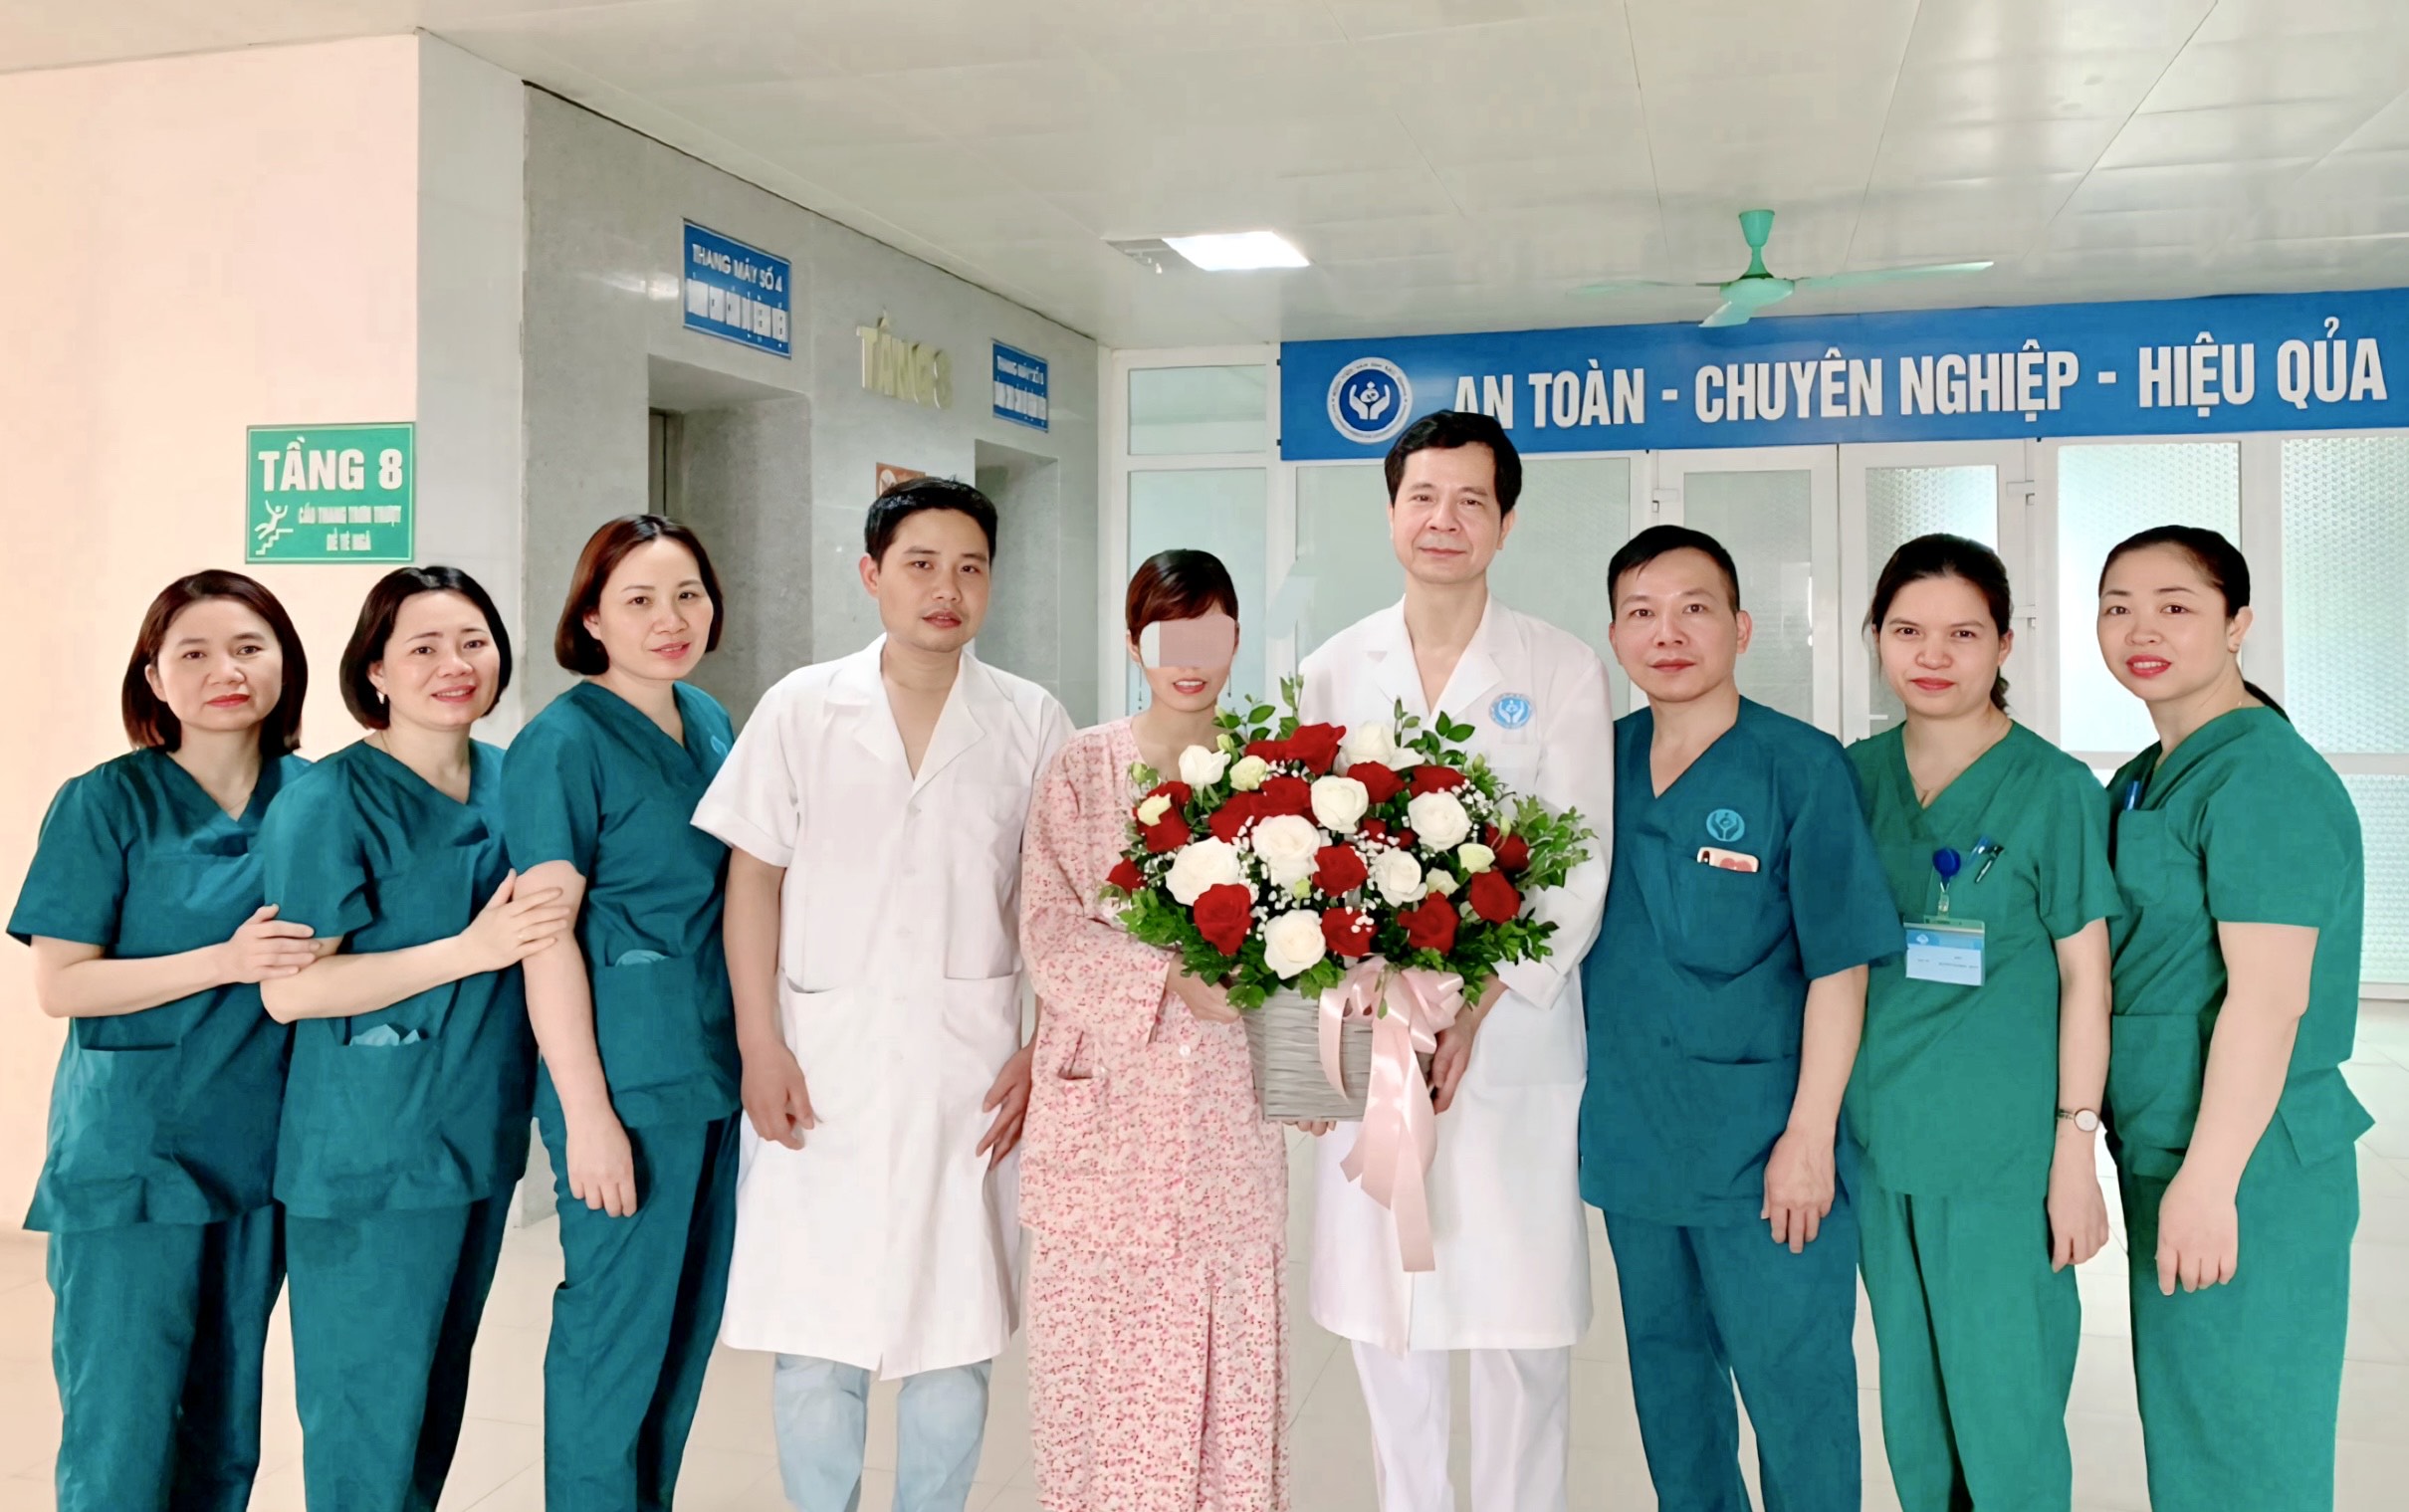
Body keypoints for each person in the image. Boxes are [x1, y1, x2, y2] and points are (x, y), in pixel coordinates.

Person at [693, 477, 1072, 1512]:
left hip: (969, 1067)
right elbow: (753, 881)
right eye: (920, 564)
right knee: (816, 1339)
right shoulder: (801, 707)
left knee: (955, 1336)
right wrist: (760, 1043)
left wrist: (1041, 1046)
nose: (946, 589)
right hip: (824, 1059)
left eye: (969, 567)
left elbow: (1060, 901)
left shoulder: (1030, 719)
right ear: (871, 574)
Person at [1301, 411, 1614, 1512]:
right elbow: (1301, 861)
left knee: (1517, 1327)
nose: (1444, 520)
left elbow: (1577, 865)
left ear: (1505, 523)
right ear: (1391, 511)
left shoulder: (1560, 668)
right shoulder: (1333, 668)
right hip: (1374, 1031)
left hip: (1510, 1034)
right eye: (1423, 497)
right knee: (1391, 1324)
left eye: (1470, 500)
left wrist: (1473, 1006)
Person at [1579, 525, 1896, 1512]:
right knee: (1671, 1392)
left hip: (1764, 1151)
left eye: (1694, 609)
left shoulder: (1797, 766)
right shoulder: (1592, 763)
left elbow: (1840, 966)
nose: (1666, 633)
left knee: (1796, 1393)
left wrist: (1808, 1137)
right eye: (1640, 612)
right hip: (1636, 1144)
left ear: (1741, 627)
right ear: (1614, 635)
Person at [258, 565, 566, 1512]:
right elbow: (290, 991)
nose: (454, 664)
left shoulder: (515, 779)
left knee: (432, 1409)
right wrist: (470, 949)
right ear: (376, 671)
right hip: (367, 1158)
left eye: (473, 642)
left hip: (475, 1137)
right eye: (423, 647)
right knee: (366, 1424)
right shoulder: (330, 801)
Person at [9, 572, 313, 1512]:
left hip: (258, 1150)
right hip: (130, 1158)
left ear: (285, 663)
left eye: (250, 647)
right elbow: (63, 983)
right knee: (123, 1427)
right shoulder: (104, 802)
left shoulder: (316, 798)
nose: (227, 670)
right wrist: (224, 960)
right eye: (195, 652)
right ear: (155, 676)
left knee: (225, 1428)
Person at [2095, 526, 2369, 1512]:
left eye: (2175, 606)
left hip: (2249, 1164)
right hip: (2166, 1145)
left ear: (2237, 623)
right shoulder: (2145, 773)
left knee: (2248, 1444)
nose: (2141, 630)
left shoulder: (2261, 778)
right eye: (2117, 606)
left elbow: (2269, 997)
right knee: (2195, 1431)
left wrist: (2209, 1184)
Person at [1846, 535, 2117, 1512]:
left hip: (2001, 1156)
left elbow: (2087, 978)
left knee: (2006, 1406)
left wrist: (2075, 1150)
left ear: (2003, 643)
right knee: (1913, 1408)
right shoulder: (1851, 777)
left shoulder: (2053, 790)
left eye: (1962, 633)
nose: (1932, 654)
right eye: (1906, 630)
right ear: (1876, 637)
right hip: (1879, 1142)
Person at [1017, 549, 1292, 1512]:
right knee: (1098, 1367)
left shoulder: (1275, 778)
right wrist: (1165, 977)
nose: (1190, 657)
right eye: (1169, 634)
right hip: (1107, 1116)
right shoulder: (1082, 767)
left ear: (1236, 639)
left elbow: (1317, 942)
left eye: (1210, 632)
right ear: (1135, 642)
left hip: (1226, 1117)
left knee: (1225, 1367)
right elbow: (1047, 929)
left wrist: (1318, 1070)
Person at [503, 516, 741, 1511]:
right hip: (628, 1086)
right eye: (638, 600)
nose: (669, 618)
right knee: (613, 1342)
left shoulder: (708, 719)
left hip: (713, 1069)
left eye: (687, 594)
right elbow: (544, 938)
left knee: (683, 1335)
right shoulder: (559, 745)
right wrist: (587, 1117)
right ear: (592, 618)